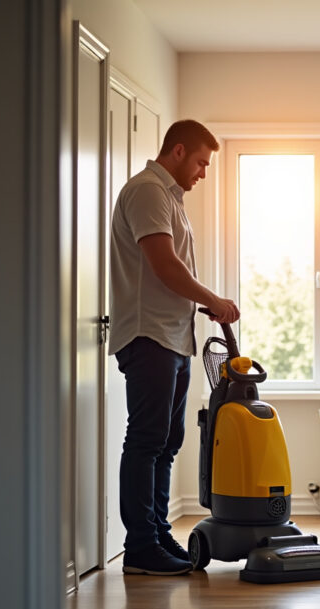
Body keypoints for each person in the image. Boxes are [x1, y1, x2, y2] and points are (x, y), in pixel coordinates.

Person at [109, 119, 239, 576]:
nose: (203, 172)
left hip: (173, 337)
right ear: (178, 151)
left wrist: (199, 305)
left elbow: (171, 270)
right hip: (149, 336)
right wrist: (213, 300)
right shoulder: (148, 191)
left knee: (167, 442)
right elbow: (165, 266)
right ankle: (141, 548)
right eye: (201, 163)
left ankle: (158, 534)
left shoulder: (170, 199)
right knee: (146, 440)